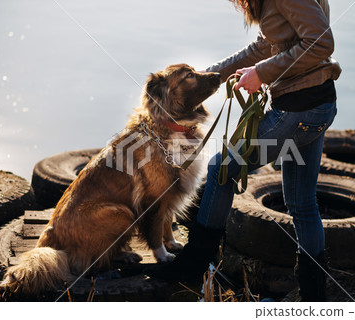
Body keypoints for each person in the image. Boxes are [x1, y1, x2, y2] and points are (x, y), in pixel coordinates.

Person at [146, 0, 341, 302]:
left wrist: (261, 74)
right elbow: (265, 46)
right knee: (301, 203)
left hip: (298, 111)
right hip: (317, 105)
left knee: (221, 170)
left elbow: (320, 42)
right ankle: (314, 296)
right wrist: (210, 76)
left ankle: (193, 265)